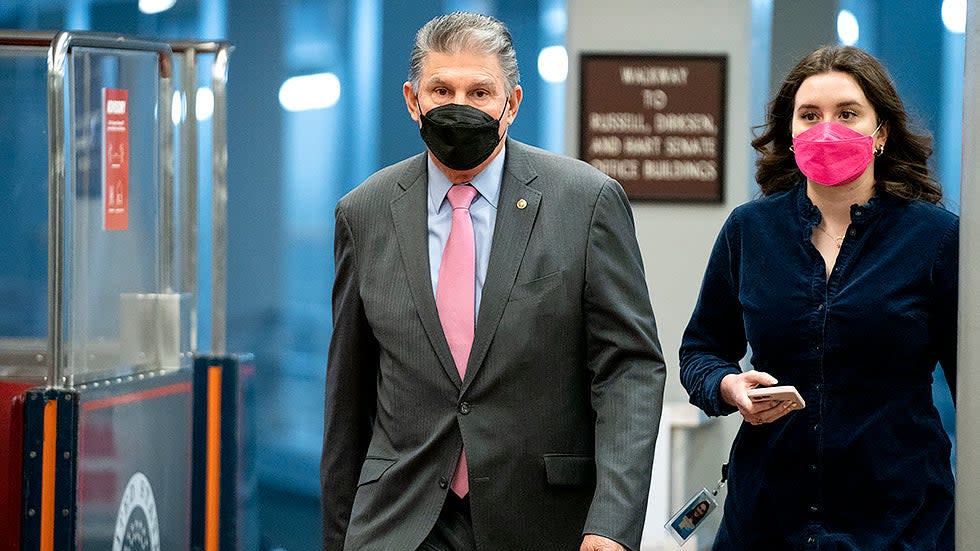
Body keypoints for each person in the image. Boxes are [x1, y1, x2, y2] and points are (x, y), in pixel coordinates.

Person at [321, 11, 666, 551]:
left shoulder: (585, 202)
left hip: (543, 521)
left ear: (513, 103)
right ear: (413, 100)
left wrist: (612, 523)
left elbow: (630, 368)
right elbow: (348, 393)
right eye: (442, 89)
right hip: (399, 523)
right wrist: (337, 538)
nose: (460, 106)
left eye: (480, 91)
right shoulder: (364, 213)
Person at [679, 44, 957, 550]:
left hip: (899, 521)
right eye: (809, 115)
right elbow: (700, 350)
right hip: (766, 516)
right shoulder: (750, 230)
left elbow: (973, 386)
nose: (826, 128)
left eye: (847, 113)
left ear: (881, 132)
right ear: (790, 133)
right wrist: (727, 386)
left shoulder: (936, 239)